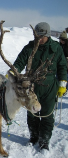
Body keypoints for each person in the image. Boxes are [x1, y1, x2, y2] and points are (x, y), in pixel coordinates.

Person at [12, 22, 67, 151]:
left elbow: (62, 66)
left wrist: (62, 84)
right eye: (37, 36)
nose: (39, 39)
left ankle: (44, 141)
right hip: (31, 87)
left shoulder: (56, 48)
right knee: (32, 115)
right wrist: (11, 73)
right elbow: (19, 62)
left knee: (47, 115)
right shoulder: (30, 47)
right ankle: (34, 137)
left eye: (41, 36)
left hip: (49, 87)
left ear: (47, 35)